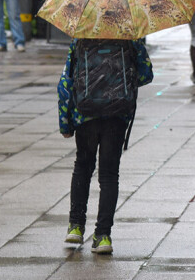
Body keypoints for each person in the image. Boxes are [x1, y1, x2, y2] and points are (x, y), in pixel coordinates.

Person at [58, 38, 153, 254]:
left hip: (85, 114)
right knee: (109, 175)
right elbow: (146, 74)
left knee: (82, 167)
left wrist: (65, 122)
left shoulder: (80, 40)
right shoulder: (130, 38)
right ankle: (102, 236)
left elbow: (66, 83)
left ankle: (75, 226)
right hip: (117, 115)